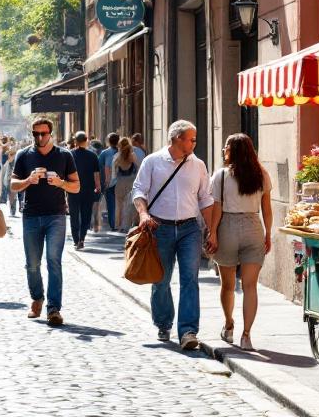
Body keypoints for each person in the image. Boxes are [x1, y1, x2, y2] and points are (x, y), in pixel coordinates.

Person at [132, 120, 215, 351]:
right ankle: (163, 322)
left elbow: (205, 199)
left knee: (190, 279)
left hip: (190, 229)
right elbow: (138, 190)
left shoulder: (198, 165)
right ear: (177, 139)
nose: (195, 143)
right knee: (161, 280)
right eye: (191, 139)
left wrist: (212, 231)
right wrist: (143, 214)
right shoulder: (152, 162)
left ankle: (188, 331)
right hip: (160, 228)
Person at [204, 134, 272, 351]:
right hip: (253, 226)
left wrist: (213, 233)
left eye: (226, 147)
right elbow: (267, 209)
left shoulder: (222, 175)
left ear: (231, 151)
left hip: (228, 228)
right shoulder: (261, 174)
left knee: (228, 285)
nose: (224, 150)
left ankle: (229, 325)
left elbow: (217, 208)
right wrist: (268, 234)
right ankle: (246, 335)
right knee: (250, 286)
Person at [11, 118, 80, 325]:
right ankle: (37, 298)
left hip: (56, 216)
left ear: (51, 133)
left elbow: (76, 186)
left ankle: (53, 309)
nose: (40, 137)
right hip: (31, 215)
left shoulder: (64, 155)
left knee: (53, 261)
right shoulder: (24, 155)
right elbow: (13, 185)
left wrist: (61, 183)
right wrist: (28, 180)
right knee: (32, 264)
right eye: (36, 134)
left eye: (43, 133)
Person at [68, 132, 102, 251]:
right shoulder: (92, 155)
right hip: (88, 190)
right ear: (86, 140)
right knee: (86, 215)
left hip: (72, 189)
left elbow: (66, 173)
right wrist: (98, 186)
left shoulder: (70, 154)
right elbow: (96, 173)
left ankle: (76, 239)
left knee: (74, 215)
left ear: (75, 141)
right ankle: (82, 238)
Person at [113, 138, 140, 231]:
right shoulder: (132, 155)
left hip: (120, 182)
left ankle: (118, 225)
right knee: (130, 204)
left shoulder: (117, 156)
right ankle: (129, 224)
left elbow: (114, 171)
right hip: (131, 182)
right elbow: (138, 167)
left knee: (119, 205)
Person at [99, 133, 121, 232]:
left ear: (108, 141)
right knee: (121, 203)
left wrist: (106, 180)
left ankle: (113, 224)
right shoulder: (122, 151)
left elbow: (105, 167)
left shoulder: (106, 152)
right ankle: (120, 223)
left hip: (111, 182)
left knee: (111, 204)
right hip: (122, 181)